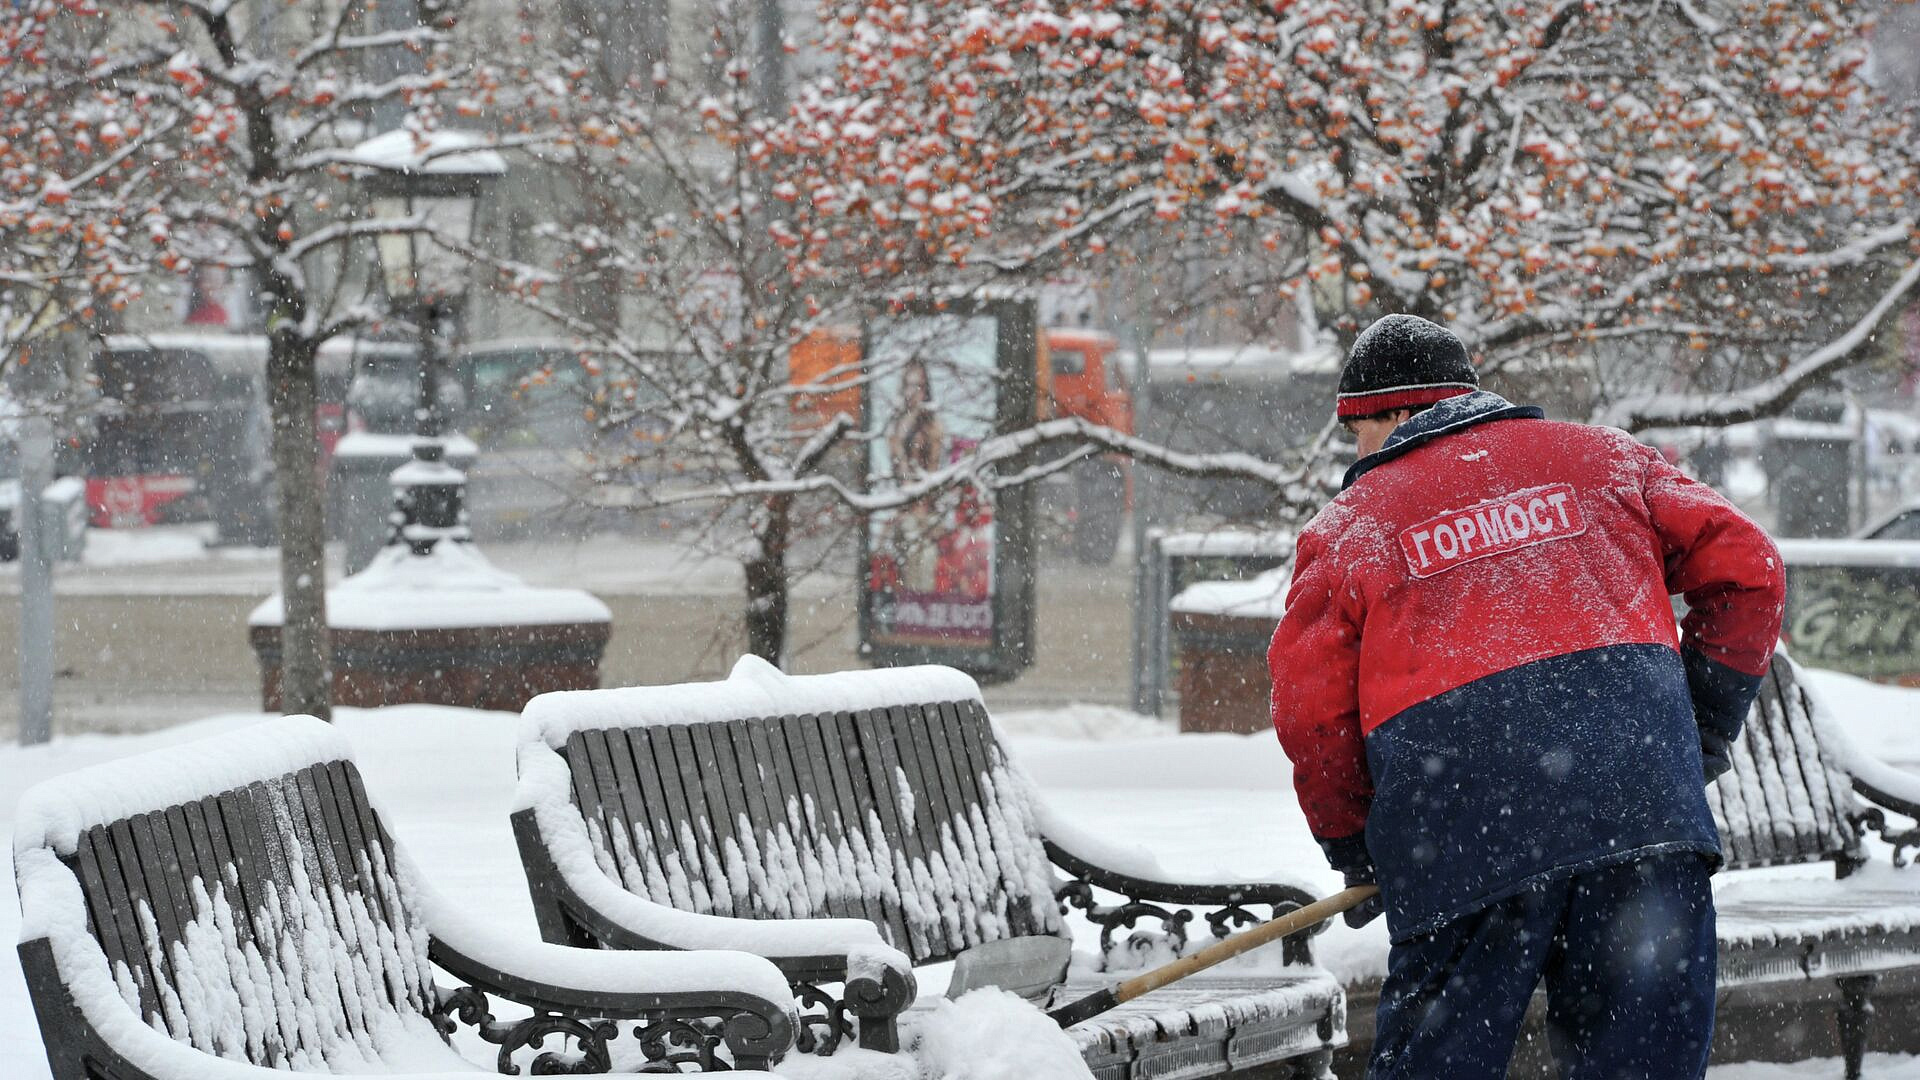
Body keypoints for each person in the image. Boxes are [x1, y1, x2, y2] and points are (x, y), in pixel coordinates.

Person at [1268, 314, 1785, 1080]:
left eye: (1358, 431)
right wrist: (1697, 724)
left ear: (1400, 413)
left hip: (1463, 839)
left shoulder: (1354, 529)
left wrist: (1352, 841)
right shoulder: (1608, 460)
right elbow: (1752, 572)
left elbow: (1313, 714)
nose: (1357, 455)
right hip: (1640, 818)